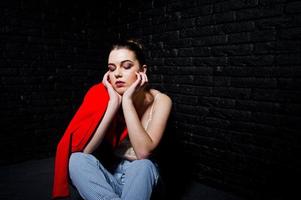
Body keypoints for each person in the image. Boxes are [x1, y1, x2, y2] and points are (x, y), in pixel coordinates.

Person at [52, 39, 172, 200]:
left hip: (144, 179)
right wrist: (113, 105)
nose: (117, 74)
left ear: (143, 70)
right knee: (77, 159)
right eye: (111, 68)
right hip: (112, 177)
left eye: (127, 66)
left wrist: (128, 101)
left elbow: (143, 153)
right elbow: (87, 152)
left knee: (142, 165)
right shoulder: (106, 97)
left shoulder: (161, 100)